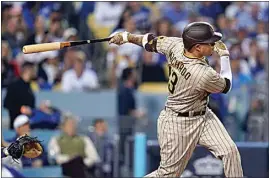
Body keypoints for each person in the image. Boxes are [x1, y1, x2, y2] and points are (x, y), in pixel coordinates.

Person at [109, 22, 243, 177]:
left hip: (203, 116)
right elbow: (227, 85)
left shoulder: (177, 44)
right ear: (197, 47)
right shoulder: (202, 74)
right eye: (210, 42)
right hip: (178, 123)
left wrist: (126, 36)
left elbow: (149, 41)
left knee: (230, 151)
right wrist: (225, 56)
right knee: (168, 174)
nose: (214, 44)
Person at [48, 113, 100, 177]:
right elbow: (53, 157)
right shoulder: (56, 140)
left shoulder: (84, 139)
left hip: (82, 168)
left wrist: (83, 163)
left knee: (78, 161)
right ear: (63, 127)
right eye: (69, 125)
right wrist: (69, 158)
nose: (72, 127)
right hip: (65, 168)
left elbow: (94, 157)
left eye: (73, 125)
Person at [4, 61, 36, 129]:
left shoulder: (29, 86)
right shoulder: (14, 86)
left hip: (27, 123)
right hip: (16, 125)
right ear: (28, 70)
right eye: (33, 69)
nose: (35, 72)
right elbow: (7, 104)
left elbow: (31, 104)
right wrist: (21, 109)